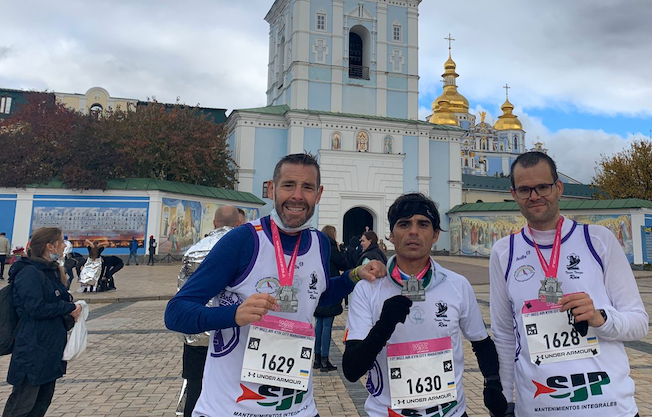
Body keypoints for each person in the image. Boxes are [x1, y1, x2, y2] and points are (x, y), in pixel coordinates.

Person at [164, 153, 386, 417]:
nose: (297, 196)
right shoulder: (243, 241)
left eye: (307, 187)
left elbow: (318, 297)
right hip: (230, 409)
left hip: (298, 408)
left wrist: (354, 275)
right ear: (272, 188)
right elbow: (176, 312)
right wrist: (233, 315)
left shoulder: (319, 243)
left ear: (319, 194)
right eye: (288, 185)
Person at [490, 151, 648, 417]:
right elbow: (505, 336)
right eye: (525, 189)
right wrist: (504, 400)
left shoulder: (598, 240)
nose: (535, 196)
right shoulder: (504, 251)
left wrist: (600, 318)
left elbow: (639, 323)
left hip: (607, 407)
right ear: (514, 194)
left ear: (559, 188)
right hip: (540, 408)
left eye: (543, 187)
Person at [343, 193, 507, 417]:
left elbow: (481, 343)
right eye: (404, 224)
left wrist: (493, 382)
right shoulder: (367, 289)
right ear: (391, 234)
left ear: (435, 235)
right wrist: (384, 326)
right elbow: (352, 370)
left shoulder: (457, 285)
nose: (413, 231)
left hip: (451, 413)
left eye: (423, 224)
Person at [3, 227, 82, 417]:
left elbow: (59, 300)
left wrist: (70, 306)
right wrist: (68, 309)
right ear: (49, 246)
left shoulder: (51, 271)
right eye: (61, 242)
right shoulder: (29, 273)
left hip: (49, 348)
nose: (64, 246)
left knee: (40, 404)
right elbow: (34, 308)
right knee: (22, 406)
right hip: (33, 348)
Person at [176, 205, 242, 417]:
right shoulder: (244, 247)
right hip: (233, 332)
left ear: (214, 223)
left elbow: (182, 294)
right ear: (239, 223)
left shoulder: (194, 250)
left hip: (198, 333)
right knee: (233, 390)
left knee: (195, 387)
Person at [313, 225, 349, 372]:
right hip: (330, 289)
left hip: (317, 288)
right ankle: (325, 359)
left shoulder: (316, 248)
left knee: (319, 325)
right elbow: (344, 264)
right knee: (327, 325)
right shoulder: (332, 249)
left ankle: (316, 357)